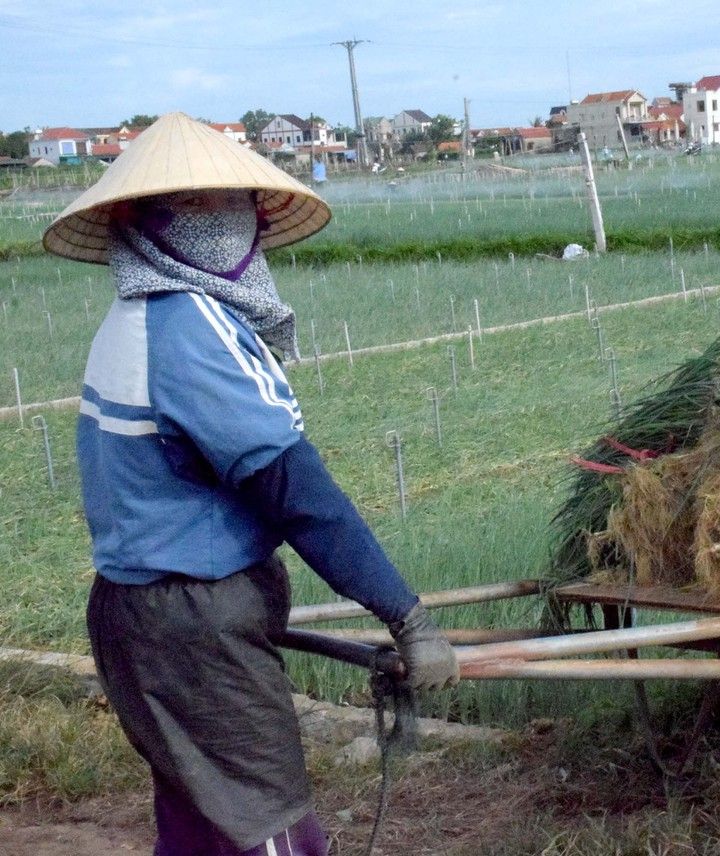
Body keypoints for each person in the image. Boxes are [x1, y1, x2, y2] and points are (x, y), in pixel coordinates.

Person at [43, 112, 458, 856]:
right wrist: (407, 617)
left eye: (235, 201)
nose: (230, 220)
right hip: (188, 624)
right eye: (198, 206)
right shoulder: (186, 327)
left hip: (151, 615)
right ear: (148, 224)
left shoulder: (145, 316)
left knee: (199, 818)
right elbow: (299, 493)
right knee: (268, 830)